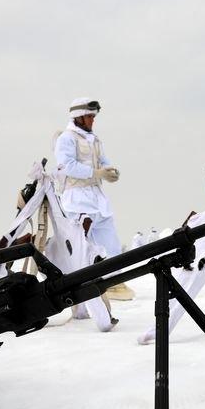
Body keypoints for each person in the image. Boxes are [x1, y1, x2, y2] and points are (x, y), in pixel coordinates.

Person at [54, 97, 135, 300]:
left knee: (111, 244)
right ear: (78, 117)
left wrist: (111, 172)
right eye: (89, 116)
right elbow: (67, 166)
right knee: (83, 246)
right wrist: (97, 173)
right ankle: (82, 288)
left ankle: (114, 282)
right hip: (77, 200)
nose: (92, 120)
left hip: (98, 199)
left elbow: (104, 162)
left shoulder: (95, 140)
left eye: (93, 116)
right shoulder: (66, 138)